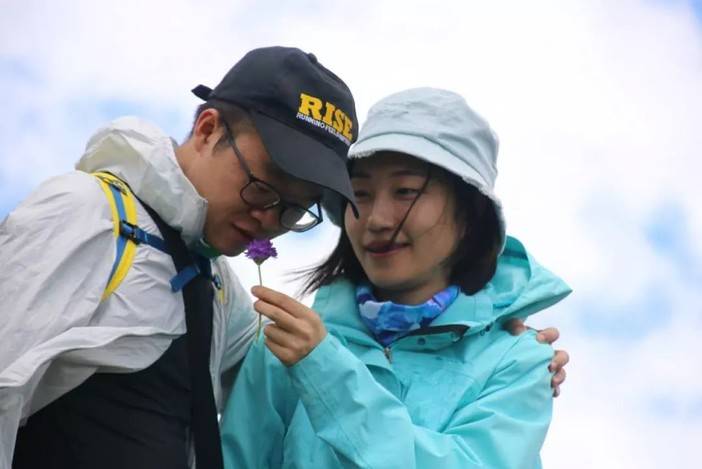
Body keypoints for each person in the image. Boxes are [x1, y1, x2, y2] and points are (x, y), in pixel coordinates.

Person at [0, 46, 362, 469]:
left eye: (294, 209)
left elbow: (287, 394)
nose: (268, 218)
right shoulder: (86, 212)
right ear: (208, 130)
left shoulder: (220, 286)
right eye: (263, 186)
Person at [220, 87, 571, 468]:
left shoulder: (519, 362)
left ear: (470, 212)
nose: (377, 219)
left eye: (405, 191)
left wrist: (327, 374)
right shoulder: (285, 345)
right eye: (360, 194)